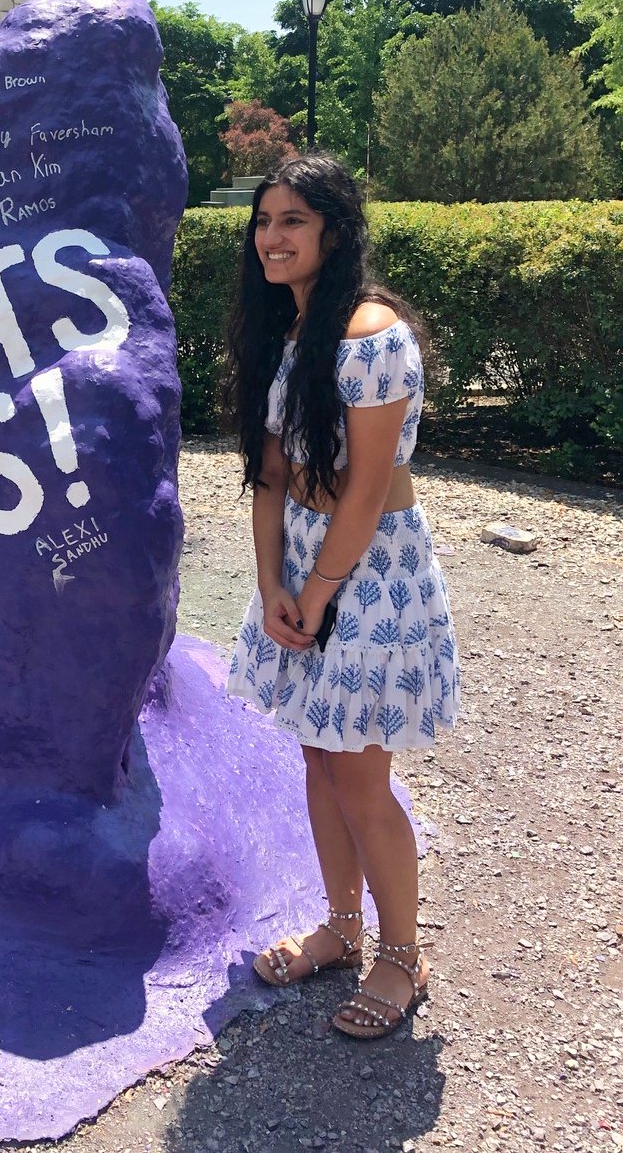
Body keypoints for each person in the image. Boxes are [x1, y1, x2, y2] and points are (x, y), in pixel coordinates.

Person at [224, 153, 459, 1040]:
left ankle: (403, 956)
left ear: (334, 231)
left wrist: (318, 592)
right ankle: (341, 926)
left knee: (360, 774)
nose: (273, 238)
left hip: (371, 572)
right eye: (265, 221)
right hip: (310, 568)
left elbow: (364, 489)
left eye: (294, 222)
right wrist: (270, 579)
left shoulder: (372, 335)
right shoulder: (287, 335)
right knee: (320, 758)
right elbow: (274, 472)